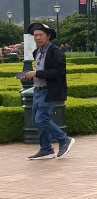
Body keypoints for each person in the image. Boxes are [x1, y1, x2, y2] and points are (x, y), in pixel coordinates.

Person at [17, 22, 75, 160]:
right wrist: (28, 77)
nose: (37, 38)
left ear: (48, 36)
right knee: (37, 120)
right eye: (35, 35)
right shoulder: (37, 52)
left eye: (40, 35)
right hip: (37, 90)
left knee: (41, 118)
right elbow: (40, 73)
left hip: (49, 91)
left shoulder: (55, 52)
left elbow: (58, 72)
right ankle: (46, 149)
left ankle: (64, 139)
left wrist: (36, 73)